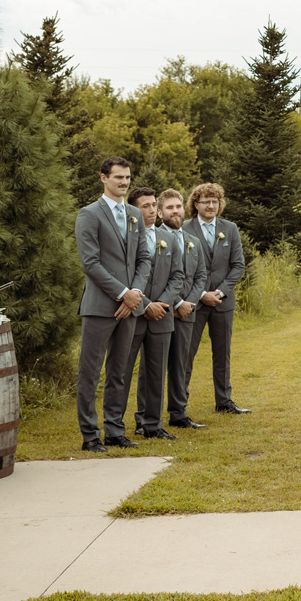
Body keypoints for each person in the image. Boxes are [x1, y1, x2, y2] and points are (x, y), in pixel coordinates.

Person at [74, 156, 152, 452]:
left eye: (127, 178)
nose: (124, 182)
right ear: (103, 178)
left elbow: (144, 258)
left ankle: (115, 431)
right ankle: (90, 435)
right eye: (118, 177)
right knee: (90, 372)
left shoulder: (134, 213)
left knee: (119, 371)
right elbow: (90, 263)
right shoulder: (89, 214)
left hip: (131, 305)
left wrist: (135, 294)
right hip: (99, 306)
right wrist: (122, 293)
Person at [122, 187, 188, 440]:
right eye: (145, 206)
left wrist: (162, 303)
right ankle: (118, 425)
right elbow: (126, 276)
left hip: (163, 315)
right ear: (133, 211)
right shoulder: (125, 237)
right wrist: (145, 304)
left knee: (156, 371)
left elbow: (178, 275)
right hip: (133, 313)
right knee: (123, 371)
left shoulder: (168, 238)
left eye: (153, 205)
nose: (150, 210)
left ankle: (152, 424)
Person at [182, 182, 249, 416]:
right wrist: (202, 294)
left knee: (222, 353)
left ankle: (224, 401)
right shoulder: (184, 229)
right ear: (195, 204)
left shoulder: (229, 229)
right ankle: (180, 405)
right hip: (194, 302)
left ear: (220, 204)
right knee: (186, 353)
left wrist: (219, 292)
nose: (211, 205)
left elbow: (238, 265)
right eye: (205, 201)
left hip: (222, 302)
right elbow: (180, 268)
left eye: (215, 201)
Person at [163, 188, 209, 431]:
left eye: (178, 206)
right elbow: (155, 277)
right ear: (160, 211)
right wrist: (177, 303)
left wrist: (189, 303)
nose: (175, 211)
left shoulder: (194, 242)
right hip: (162, 311)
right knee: (156, 366)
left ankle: (178, 413)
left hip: (188, 312)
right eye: (169, 207)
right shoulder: (154, 236)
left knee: (181, 363)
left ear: (184, 208)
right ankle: (145, 417)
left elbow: (200, 276)